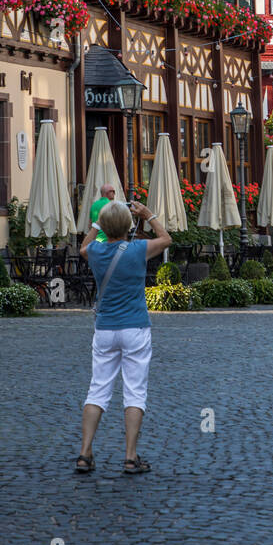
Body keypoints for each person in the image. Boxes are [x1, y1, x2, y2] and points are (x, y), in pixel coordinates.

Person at [75, 200, 170, 475]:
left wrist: (96, 224)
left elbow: (83, 246)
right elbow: (166, 239)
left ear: (104, 227)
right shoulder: (139, 249)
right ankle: (130, 457)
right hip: (135, 328)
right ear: (129, 225)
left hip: (105, 329)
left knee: (98, 389)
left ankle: (85, 453)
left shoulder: (95, 251)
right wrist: (148, 215)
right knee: (134, 391)